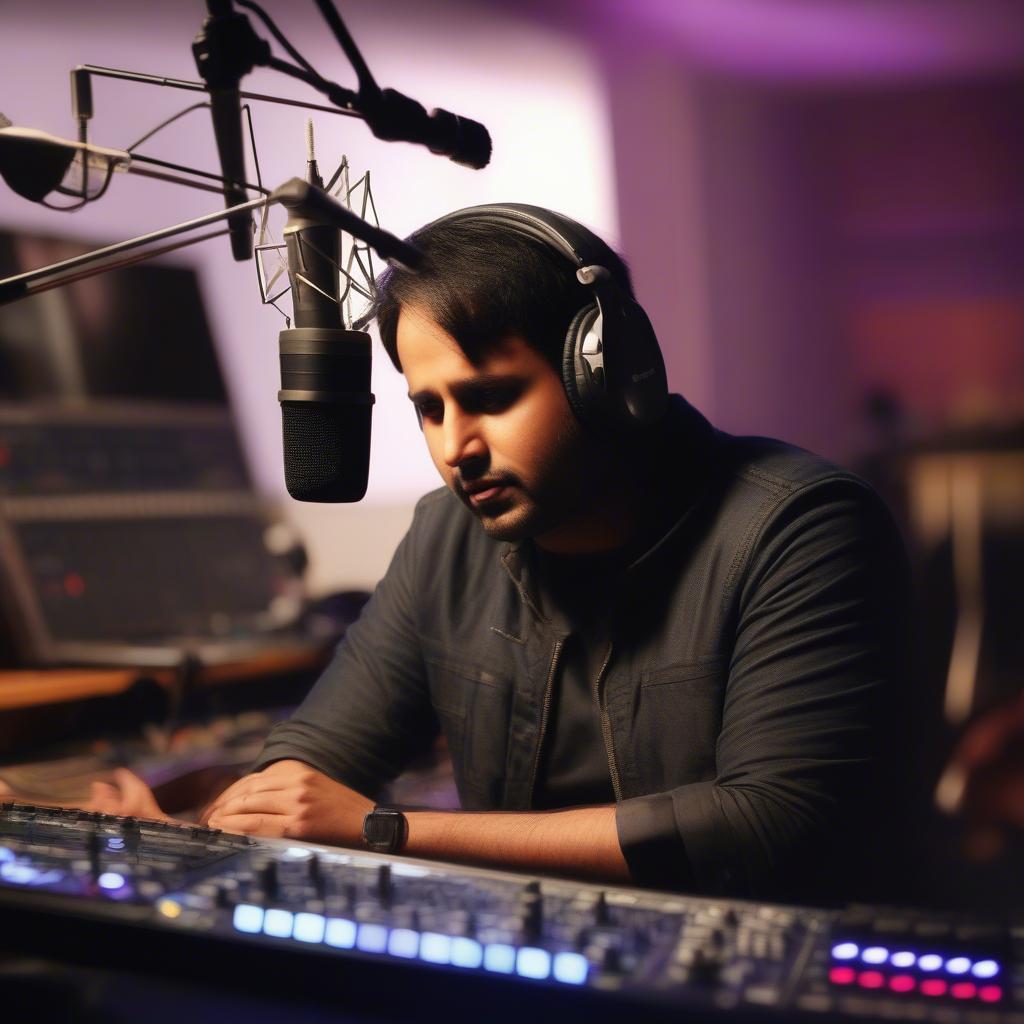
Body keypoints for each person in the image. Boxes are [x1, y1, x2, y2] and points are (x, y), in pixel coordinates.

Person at [92, 204, 909, 901]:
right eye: (429, 409)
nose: (456, 447)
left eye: (489, 398)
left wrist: (386, 830)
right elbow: (316, 763)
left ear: (608, 375)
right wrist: (192, 836)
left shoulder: (801, 527)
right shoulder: (445, 537)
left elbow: (770, 822)